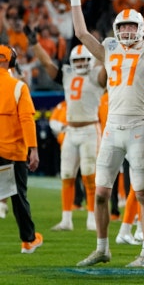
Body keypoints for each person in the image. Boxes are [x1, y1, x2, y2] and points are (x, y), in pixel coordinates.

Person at [71, 0, 144, 267]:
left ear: (140, 28)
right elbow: (83, 35)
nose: (125, 31)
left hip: (136, 127)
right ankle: (102, 248)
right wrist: (74, 1)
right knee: (100, 194)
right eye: (122, 27)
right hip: (111, 128)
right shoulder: (109, 50)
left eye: (131, 26)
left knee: (143, 193)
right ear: (116, 28)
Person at [30, 32, 104, 232]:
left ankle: (91, 217)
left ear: (90, 60)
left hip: (90, 129)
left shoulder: (97, 76)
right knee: (67, 175)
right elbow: (47, 64)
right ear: (72, 61)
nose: (80, 63)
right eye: (77, 60)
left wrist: (105, 50)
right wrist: (35, 45)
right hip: (71, 130)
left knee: (89, 175)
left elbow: (106, 67)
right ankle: (66, 219)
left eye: (83, 59)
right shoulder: (68, 75)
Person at [0, 44, 42, 253]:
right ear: (11, 62)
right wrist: (33, 149)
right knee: (18, 198)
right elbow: (27, 119)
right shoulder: (18, 87)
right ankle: (28, 240)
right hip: (12, 152)